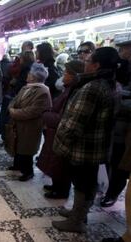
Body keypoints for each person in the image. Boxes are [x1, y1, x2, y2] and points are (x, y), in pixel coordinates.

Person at [52, 47, 118, 233]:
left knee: (82, 183)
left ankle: (76, 221)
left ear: (96, 65)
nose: (85, 63)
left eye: (88, 61)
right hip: (96, 145)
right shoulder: (109, 83)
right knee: (86, 181)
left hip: (83, 146)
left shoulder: (92, 87)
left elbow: (75, 122)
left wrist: (62, 140)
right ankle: (78, 213)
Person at [37, 60, 85, 199]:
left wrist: (46, 115)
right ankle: (56, 186)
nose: (63, 76)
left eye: (66, 73)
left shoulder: (74, 91)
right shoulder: (69, 88)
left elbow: (62, 116)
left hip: (60, 130)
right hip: (55, 130)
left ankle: (61, 190)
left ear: (74, 75)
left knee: (60, 164)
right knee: (54, 162)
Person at [100, 38, 131, 208]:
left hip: (125, 126)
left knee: (119, 162)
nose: (121, 52)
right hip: (116, 123)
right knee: (111, 159)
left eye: (124, 48)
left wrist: (118, 96)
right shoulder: (122, 66)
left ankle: (112, 193)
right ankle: (108, 188)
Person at [8, 63, 52, 181]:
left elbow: (33, 111)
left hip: (31, 125)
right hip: (19, 123)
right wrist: (12, 108)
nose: (27, 75)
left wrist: (13, 112)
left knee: (27, 149)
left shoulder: (42, 90)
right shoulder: (26, 87)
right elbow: (14, 101)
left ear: (34, 76)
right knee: (18, 145)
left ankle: (28, 172)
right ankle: (18, 165)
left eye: (29, 73)